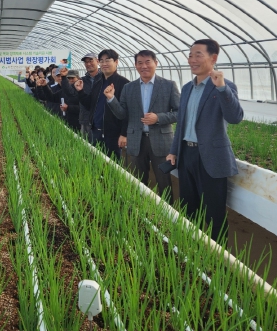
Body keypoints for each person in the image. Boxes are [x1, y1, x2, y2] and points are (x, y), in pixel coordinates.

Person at [166, 39, 244, 242]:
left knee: (214, 213)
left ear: (213, 58)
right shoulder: (187, 88)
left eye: (198, 55)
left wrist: (222, 88)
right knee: (189, 208)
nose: (192, 59)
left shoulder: (224, 86)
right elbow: (181, 123)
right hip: (186, 154)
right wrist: (174, 151)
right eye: (190, 55)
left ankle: (219, 256)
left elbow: (235, 117)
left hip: (211, 157)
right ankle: (191, 247)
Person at [104, 50, 180, 203]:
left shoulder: (168, 85)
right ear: (135, 65)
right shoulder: (129, 87)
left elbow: (180, 113)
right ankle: (140, 209)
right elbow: (122, 114)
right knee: (138, 181)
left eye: (147, 62)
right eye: (140, 63)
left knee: (164, 181)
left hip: (161, 141)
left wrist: (158, 118)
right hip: (136, 140)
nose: (144, 66)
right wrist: (111, 99)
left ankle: (167, 213)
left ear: (155, 63)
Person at [75, 49, 129, 159]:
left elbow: (128, 112)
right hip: (95, 130)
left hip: (113, 134)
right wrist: (80, 91)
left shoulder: (124, 84)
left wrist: (124, 134)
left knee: (112, 164)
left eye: (108, 60)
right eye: (102, 61)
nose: (104, 64)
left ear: (116, 62)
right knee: (95, 161)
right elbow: (90, 105)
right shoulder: (98, 82)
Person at [76, 53, 101, 140]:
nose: (88, 64)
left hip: (100, 122)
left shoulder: (104, 78)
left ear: (97, 61)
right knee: (85, 145)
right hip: (85, 120)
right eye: (86, 62)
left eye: (91, 61)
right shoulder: (81, 81)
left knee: (100, 146)